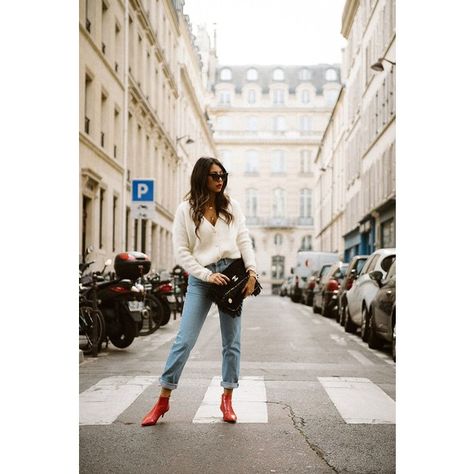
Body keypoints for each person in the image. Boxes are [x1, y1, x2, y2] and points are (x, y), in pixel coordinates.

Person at [141, 157, 258, 426]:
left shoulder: (232, 206)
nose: (220, 180)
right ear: (201, 177)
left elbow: (243, 239)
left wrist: (252, 271)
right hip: (201, 277)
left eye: (223, 175)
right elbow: (182, 251)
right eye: (215, 176)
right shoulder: (186, 210)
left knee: (232, 342)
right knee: (184, 339)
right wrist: (206, 274)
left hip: (231, 277)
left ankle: (227, 399)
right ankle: (163, 400)